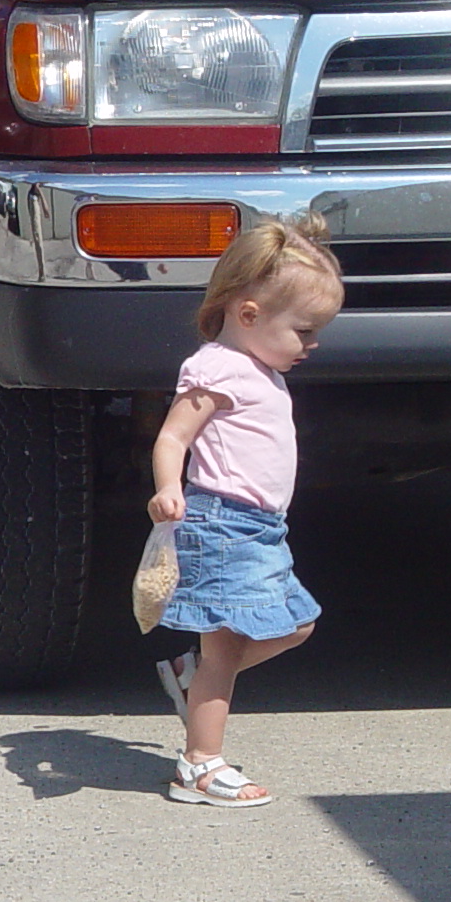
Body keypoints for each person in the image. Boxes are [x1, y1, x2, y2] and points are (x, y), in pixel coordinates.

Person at [146, 217, 343, 808]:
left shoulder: (258, 368)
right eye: (304, 331)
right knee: (228, 647)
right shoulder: (219, 368)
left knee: (296, 625)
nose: (312, 344)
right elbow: (172, 438)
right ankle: (199, 766)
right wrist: (167, 489)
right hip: (220, 523)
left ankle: (193, 675)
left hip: (258, 528)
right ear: (250, 314)